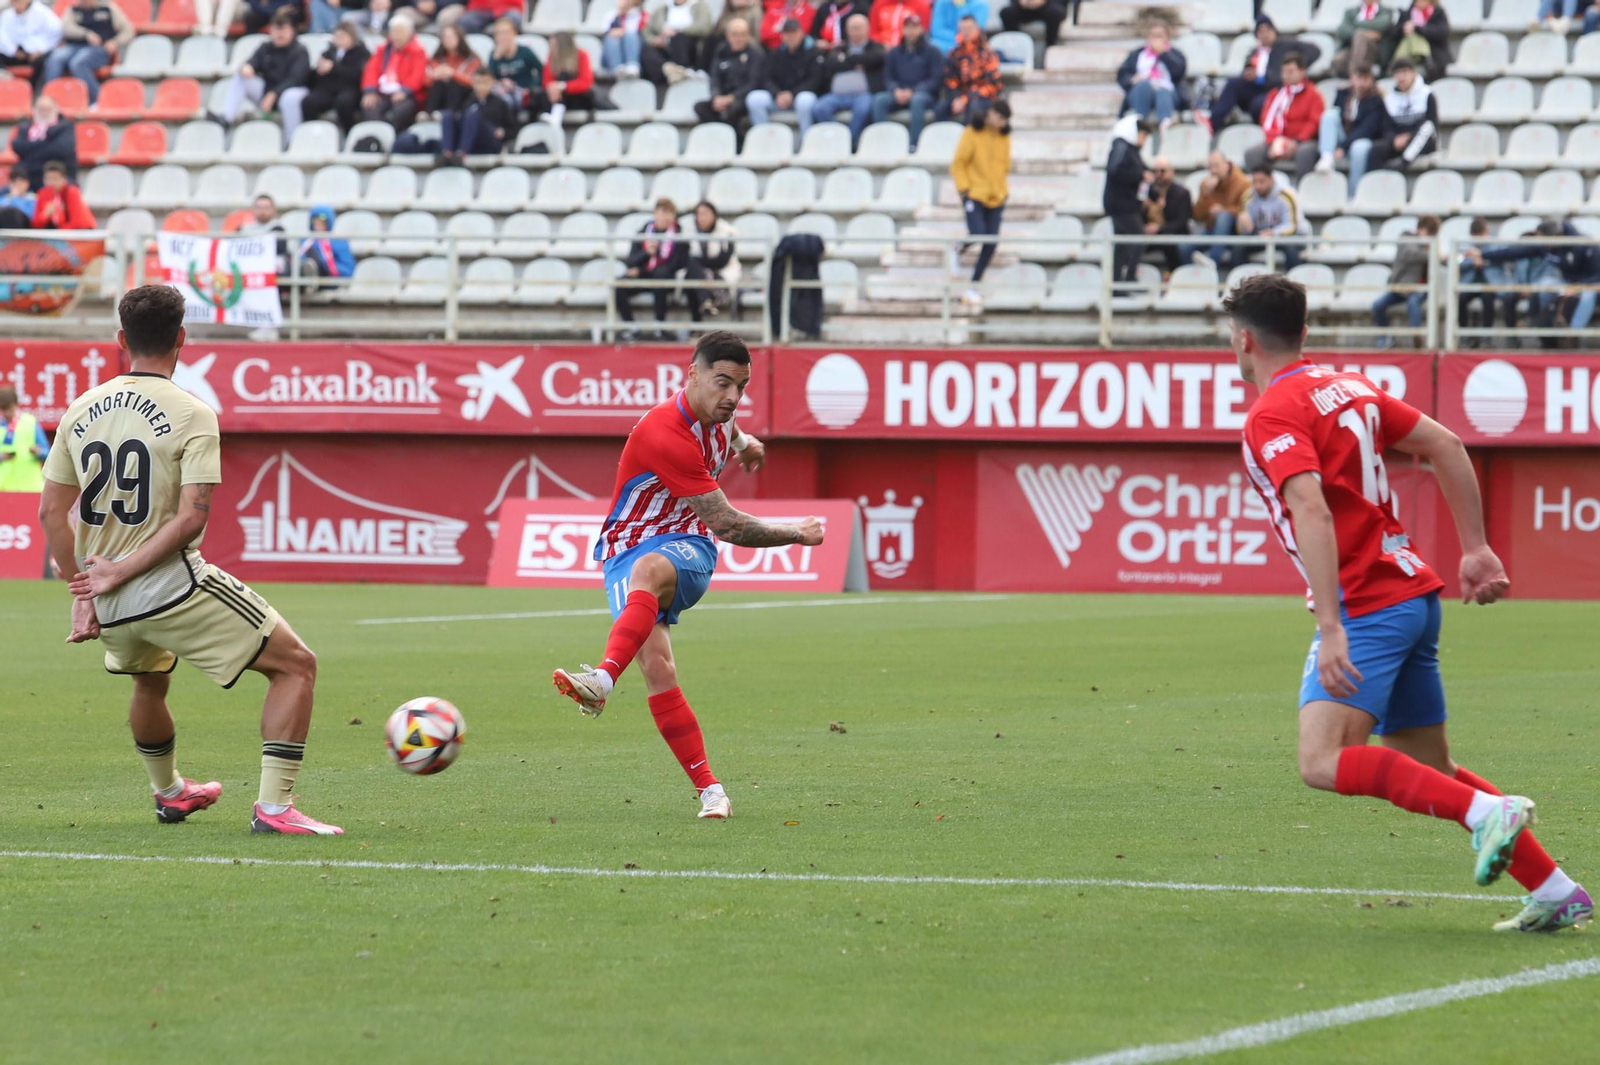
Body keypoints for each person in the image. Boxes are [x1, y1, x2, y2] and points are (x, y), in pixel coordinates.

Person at [1223, 271, 1593, 935]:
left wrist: (1332, 624)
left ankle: (1490, 814)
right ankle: (1557, 889)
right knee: (1429, 767)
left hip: (1368, 603)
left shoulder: (1271, 413)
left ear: (1242, 340)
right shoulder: (1351, 386)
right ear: (1304, 331)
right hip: (1414, 594)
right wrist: (1475, 548)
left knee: (1321, 759)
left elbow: (1308, 505)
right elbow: (1446, 444)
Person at [38, 286, 341, 836]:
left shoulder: (79, 410)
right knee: (296, 665)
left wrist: (84, 592)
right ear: (182, 338)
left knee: (148, 681)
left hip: (109, 596)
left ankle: (171, 793)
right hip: (165, 585)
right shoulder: (193, 413)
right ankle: (275, 808)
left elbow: (50, 513)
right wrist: (123, 571)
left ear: (120, 340)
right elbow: (191, 519)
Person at [552, 331, 824, 822]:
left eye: (741, 386)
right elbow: (732, 523)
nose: (733, 397)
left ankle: (601, 680)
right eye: (723, 383)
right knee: (659, 670)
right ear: (692, 375)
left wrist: (746, 444)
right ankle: (711, 791)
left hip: (688, 544)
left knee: (650, 570)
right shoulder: (666, 433)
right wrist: (797, 533)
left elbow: (720, 525)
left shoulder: (719, 411)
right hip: (624, 548)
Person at [1205, 15, 1321, 132]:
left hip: (1275, 88)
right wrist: (1248, 73)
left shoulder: (1285, 45)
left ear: (1274, 31)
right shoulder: (1254, 52)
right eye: (1260, 32)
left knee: (1259, 104)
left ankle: (1266, 130)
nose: (1264, 34)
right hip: (1254, 88)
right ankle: (1213, 123)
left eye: (1267, 30)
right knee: (1233, 84)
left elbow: (1314, 51)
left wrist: (1297, 64)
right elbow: (1247, 70)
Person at [949, 97, 1010, 306]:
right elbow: (958, 163)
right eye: (1000, 117)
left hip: (997, 196)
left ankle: (974, 285)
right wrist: (964, 190)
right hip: (975, 193)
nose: (1002, 123)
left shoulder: (1003, 138)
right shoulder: (972, 133)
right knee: (978, 233)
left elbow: (1004, 166)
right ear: (991, 113)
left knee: (991, 243)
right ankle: (958, 247)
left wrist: (1001, 190)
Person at [279, 19, 370, 139]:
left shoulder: (362, 53)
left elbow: (357, 75)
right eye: (337, 36)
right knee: (309, 102)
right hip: (328, 90)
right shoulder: (330, 52)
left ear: (352, 37)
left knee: (344, 102)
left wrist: (333, 67)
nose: (339, 39)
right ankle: (312, 135)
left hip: (350, 89)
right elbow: (316, 77)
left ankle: (349, 135)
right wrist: (318, 71)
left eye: (342, 36)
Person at [217, 14, 309, 127]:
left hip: (292, 92)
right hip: (267, 92)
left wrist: (274, 94)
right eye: (276, 30)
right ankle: (226, 119)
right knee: (241, 77)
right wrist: (247, 67)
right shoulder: (266, 48)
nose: (280, 35)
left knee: (289, 97)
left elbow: (296, 79)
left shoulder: (300, 51)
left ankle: (292, 140)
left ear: (292, 31)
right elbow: (251, 63)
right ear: (271, 31)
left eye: (283, 30)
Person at [1241, 53, 1324, 178]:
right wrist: (1276, 142)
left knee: (1304, 153)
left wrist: (1295, 142)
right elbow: (1266, 120)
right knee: (1252, 154)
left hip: (1304, 141)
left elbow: (1314, 122)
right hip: (1277, 139)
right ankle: (1261, 189)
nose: (1286, 76)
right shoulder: (1275, 95)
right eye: (1284, 72)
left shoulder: (1313, 95)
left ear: (1302, 72)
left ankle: (1302, 191)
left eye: (1291, 72)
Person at [614, 198, 690, 332]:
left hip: (666, 280)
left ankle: (659, 327)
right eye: (663, 212)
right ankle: (631, 327)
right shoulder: (643, 233)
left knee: (660, 275)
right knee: (619, 285)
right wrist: (647, 253)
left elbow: (675, 264)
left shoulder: (679, 236)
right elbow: (631, 261)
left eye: (670, 213)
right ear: (655, 213)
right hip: (644, 276)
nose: (667, 217)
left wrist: (642, 269)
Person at [809, 13, 883, 149]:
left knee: (863, 109)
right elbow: (830, 64)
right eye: (853, 28)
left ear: (867, 28)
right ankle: (838, 139)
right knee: (819, 108)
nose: (856, 32)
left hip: (863, 94)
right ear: (847, 30)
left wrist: (846, 60)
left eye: (859, 27)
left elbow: (875, 59)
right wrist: (858, 62)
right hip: (837, 95)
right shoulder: (839, 48)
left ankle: (850, 143)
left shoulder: (876, 47)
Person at [44, 0, 134, 105]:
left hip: (99, 49)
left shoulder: (108, 9)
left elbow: (128, 30)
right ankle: (48, 99)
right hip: (74, 46)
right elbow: (65, 28)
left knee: (79, 62)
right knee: (55, 58)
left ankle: (97, 101)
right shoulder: (73, 10)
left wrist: (115, 42)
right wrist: (85, 34)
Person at [872, 11, 940, 149]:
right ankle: (883, 141)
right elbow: (888, 77)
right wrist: (895, 90)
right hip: (899, 93)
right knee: (879, 100)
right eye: (908, 27)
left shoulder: (932, 51)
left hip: (923, 95)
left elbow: (935, 80)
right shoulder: (894, 53)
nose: (911, 31)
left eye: (915, 27)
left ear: (922, 29)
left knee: (917, 100)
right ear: (902, 29)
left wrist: (913, 91)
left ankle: (915, 144)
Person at [746, 16, 821, 135]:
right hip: (779, 98)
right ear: (782, 35)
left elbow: (815, 80)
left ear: (801, 33)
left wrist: (792, 94)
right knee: (755, 99)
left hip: (799, 97)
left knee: (805, 100)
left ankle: (806, 140)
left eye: (794, 32)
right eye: (787, 33)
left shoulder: (813, 52)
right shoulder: (776, 53)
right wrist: (777, 94)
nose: (790, 37)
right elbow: (766, 78)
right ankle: (765, 139)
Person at [1371, 213, 1436, 347]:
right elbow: (1410, 254)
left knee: (1413, 303)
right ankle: (1385, 337)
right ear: (1421, 229)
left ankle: (1416, 338)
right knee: (1378, 306)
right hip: (1400, 286)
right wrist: (1433, 254)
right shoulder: (1407, 237)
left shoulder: (1430, 246)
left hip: (1418, 288)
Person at [693, 18, 763, 145]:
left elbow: (754, 83)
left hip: (742, 98)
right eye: (735, 34)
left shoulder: (755, 54)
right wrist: (716, 97)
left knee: (734, 109)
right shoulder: (721, 51)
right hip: (722, 97)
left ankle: (735, 144)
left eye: (742, 34)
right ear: (728, 35)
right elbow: (714, 78)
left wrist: (732, 98)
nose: (738, 38)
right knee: (700, 107)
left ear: (748, 35)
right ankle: (715, 141)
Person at [1315, 63, 1383, 192]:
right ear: (1352, 77)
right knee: (1330, 115)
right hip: (1344, 136)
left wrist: (1343, 146)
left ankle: (1354, 191)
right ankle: (1326, 157)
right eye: (1359, 78)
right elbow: (1338, 119)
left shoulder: (1376, 100)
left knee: (1359, 148)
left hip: (1363, 139)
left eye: (1366, 78)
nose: (1362, 83)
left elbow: (1367, 129)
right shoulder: (1343, 94)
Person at [1104, 114, 1152, 287]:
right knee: (1139, 237)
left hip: (1124, 203)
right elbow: (1115, 171)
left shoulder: (1130, 150)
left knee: (1122, 245)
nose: (1144, 140)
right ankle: (1128, 279)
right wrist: (1141, 175)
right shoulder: (1122, 147)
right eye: (1143, 135)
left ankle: (1117, 284)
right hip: (1121, 205)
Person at [1367, 58, 1436, 174]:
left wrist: (1409, 137)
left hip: (1420, 142)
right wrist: (1394, 139)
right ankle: (1374, 182)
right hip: (1396, 142)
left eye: (1404, 72)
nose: (1401, 77)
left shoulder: (1427, 95)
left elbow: (1432, 125)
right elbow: (1386, 127)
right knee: (1376, 149)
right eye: (1397, 73)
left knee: (1426, 128)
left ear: (1413, 73)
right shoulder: (1389, 99)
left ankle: (1403, 164)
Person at [1116, 19, 1185, 130]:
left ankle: (1165, 125)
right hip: (1141, 93)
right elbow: (1122, 75)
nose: (1155, 39)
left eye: (1159, 35)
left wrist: (1163, 53)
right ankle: (1140, 124)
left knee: (1163, 90)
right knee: (1144, 85)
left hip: (1166, 93)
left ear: (1167, 37)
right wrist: (1132, 79)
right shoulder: (1138, 54)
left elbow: (1179, 73)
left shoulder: (1175, 54)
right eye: (1153, 35)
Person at [361, 14, 428, 130]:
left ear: (409, 33)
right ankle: (377, 139)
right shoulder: (382, 50)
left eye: (400, 32)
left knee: (400, 112)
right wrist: (370, 90)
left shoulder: (417, 52)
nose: (396, 36)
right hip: (382, 92)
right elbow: (371, 70)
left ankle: (393, 140)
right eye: (394, 32)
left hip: (407, 94)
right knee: (369, 106)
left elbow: (418, 75)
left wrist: (405, 91)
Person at [1186, 150, 1250, 268]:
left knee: (1223, 216)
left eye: (1217, 166)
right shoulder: (1206, 184)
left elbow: (1246, 212)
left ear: (1226, 165)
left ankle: (1213, 260)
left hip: (1235, 231)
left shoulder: (1242, 183)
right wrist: (1205, 193)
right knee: (1184, 247)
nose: (1213, 171)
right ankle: (1192, 279)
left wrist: (1223, 210)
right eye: (1210, 167)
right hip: (1214, 230)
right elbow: (1197, 216)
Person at [935, 15, 1000, 123]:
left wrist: (965, 99)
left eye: (969, 28)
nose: (966, 32)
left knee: (973, 107)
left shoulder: (988, 53)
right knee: (940, 109)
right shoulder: (954, 54)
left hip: (982, 96)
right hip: (960, 95)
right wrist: (956, 98)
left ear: (977, 29)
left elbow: (992, 83)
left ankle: (968, 139)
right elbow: (949, 80)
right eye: (963, 29)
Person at [1236, 166, 1304, 269]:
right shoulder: (1248, 197)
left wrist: (1274, 232)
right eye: (1255, 182)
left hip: (1284, 236)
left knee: (1291, 248)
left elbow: (1292, 225)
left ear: (1271, 180)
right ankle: (1241, 282)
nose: (1257, 186)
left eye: (1261, 181)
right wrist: (1244, 227)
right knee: (1238, 248)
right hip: (1260, 236)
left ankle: (1292, 282)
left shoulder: (1287, 196)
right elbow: (1244, 230)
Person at [438, 65, 512, 161]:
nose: (481, 86)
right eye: (478, 82)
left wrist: (502, 132)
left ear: (493, 82)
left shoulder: (501, 103)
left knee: (473, 114)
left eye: (485, 82)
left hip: (489, 141)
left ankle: (462, 153)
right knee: (448, 115)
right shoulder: (467, 101)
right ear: (472, 82)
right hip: (470, 140)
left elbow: (513, 129)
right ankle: (447, 153)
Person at [685, 199, 740, 319]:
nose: (701, 218)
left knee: (693, 269)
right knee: (691, 273)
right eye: (698, 214)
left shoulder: (728, 232)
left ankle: (697, 323)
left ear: (714, 215)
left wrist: (699, 263)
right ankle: (704, 304)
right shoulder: (689, 230)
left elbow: (722, 261)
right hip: (698, 277)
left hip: (721, 276)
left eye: (704, 214)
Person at [10, 97, 76, 191]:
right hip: (27, 178)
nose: (44, 112)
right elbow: (17, 146)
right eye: (41, 109)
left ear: (56, 110)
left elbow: (62, 150)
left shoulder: (65, 127)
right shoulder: (25, 126)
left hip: (54, 177)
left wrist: (30, 148)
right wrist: (46, 144)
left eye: (48, 109)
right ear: (34, 110)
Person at [418, 22, 478, 123]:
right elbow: (424, 82)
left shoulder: (471, 60)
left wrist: (453, 74)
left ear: (459, 37)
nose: (448, 40)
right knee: (439, 84)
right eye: (445, 37)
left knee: (454, 84)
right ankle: (429, 114)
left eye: (452, 36)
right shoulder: (437, 59)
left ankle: (449, 115)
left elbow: (474, 81)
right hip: (441, 94)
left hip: (462, 97)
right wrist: (435, 76)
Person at [642, 0, 711, 87]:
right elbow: (647, 30)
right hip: (665, 45)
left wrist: (677, 30)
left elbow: (704, 27)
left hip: (688, 45)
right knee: (647, 50)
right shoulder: (663, 8)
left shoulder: (699, 5)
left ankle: (682, 70)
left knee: (679, 38)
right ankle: (670, 70)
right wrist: (655, 40)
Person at [487, 15, 545, 119]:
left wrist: (531, 86)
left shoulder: (525, 52)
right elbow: (488, 78)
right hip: (503, 94)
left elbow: (542, 70)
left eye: (505, 32)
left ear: (514, 33)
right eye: (498, 33)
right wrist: (495, 59)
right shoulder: (494, 55)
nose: (502, 37)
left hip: (523, 92)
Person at [1380, 0, 1450, 82]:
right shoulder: (1407, 14)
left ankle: (1396, 64)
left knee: (1415, 35)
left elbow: (1442, 33)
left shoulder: (1438, 13)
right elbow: (1393, 34)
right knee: (1411, 35)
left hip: (1433, 53)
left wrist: (1417, 29)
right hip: (1409, 53)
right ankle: (1424, 57)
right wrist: (1404, 29)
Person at [1144, 155, 1192, 273]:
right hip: (1150, 235)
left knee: (1168, 241)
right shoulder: (1147, 193)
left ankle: (1175, 276)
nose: (1159, 174)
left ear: (1172, 172)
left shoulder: (1182, 193)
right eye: (1156, 171)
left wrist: (1159, 228)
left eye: (1163, 171)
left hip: (1173, 234)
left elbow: (1181, 223)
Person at [0, 384, 49, 493]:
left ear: (16, 405)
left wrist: (38, 452)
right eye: (3, 409)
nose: (7, 413)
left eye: (9, 409)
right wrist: (2, 457)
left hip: (30, 488)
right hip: (3, 488)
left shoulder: (30, 422)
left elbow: (47, 452)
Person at [296, 204, 354, 293]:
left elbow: (347, 270)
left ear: (328, 222)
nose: (318, 224)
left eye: (322, 220)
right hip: (302, 277)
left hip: (329, 278)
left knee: (313, 255)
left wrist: (325, 263)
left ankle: (312, 274)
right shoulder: (305, 242)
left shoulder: (338, 242)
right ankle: (308, 277)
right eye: (315, 220)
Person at [543, 31, 595, 129]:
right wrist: (553, 88)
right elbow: (547, 81)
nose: (551, 48)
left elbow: (586, 82)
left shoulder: (581, 55)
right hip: (557, 98)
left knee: (564, 75)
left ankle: (556, 116)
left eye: (554, 45)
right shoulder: (551, 58)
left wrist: (562, 86)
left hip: (578, 98)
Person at [1332, 1, 1392, 78]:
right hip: (1352, 48)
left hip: (1375, 50)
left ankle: (1355, 75)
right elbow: (1342, 30)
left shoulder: (1386, 11)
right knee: (1339, 59)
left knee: (1360, 36)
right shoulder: (1350, 12)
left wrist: (1355, 24)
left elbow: (1383, 24)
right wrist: (1364, 32)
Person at [0, 0, 63, 72]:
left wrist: (41, 50)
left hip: (36, 55)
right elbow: (3, 38)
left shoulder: (42, 12)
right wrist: (14, 51)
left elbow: (57, 32)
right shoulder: (7, 15)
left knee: (43, 62)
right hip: (15, 54)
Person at [31, 160, 94, 229]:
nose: (51, 183)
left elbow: (79, 222)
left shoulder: (72, 193)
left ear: (64, 179)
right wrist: (45, 215)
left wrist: (60, 230)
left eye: (55, 179)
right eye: (48, 179)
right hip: (57, 232)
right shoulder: (43, 193)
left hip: (77, 233)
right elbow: (35, 223)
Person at [601, 0, 646, 77]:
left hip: (634, 51)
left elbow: (638, 33)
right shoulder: (611, 14)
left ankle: (632, 66)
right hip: (610, 56)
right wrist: (618, 15)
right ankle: (617, 69)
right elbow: (605, 31)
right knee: (612, 39)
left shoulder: (639, 15)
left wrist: (623, 32)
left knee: (630, 36)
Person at [999, 0, 1064, 48]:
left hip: (1047, 6)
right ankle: (1015, 45)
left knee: (1055, 13)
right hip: (1023, 7)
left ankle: (1050, 46)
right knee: (1006, 13)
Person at [437, 0, 521, 36]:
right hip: (482, 8)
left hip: (506, 7)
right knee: (466, 21)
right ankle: (475, 53)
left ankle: (510, 52)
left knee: (513, 18)